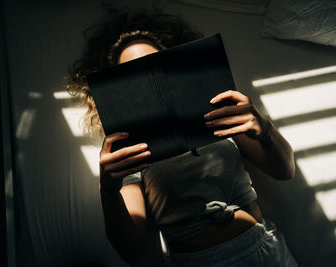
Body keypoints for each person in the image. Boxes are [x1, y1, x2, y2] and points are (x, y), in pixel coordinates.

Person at [67, 2, 298, 267]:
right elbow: (131, 250)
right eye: (134, 72)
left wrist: (264, 129)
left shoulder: (218, 111)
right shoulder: (127, 149)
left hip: (264, 251)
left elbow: (285, 170)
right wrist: (108, 191)